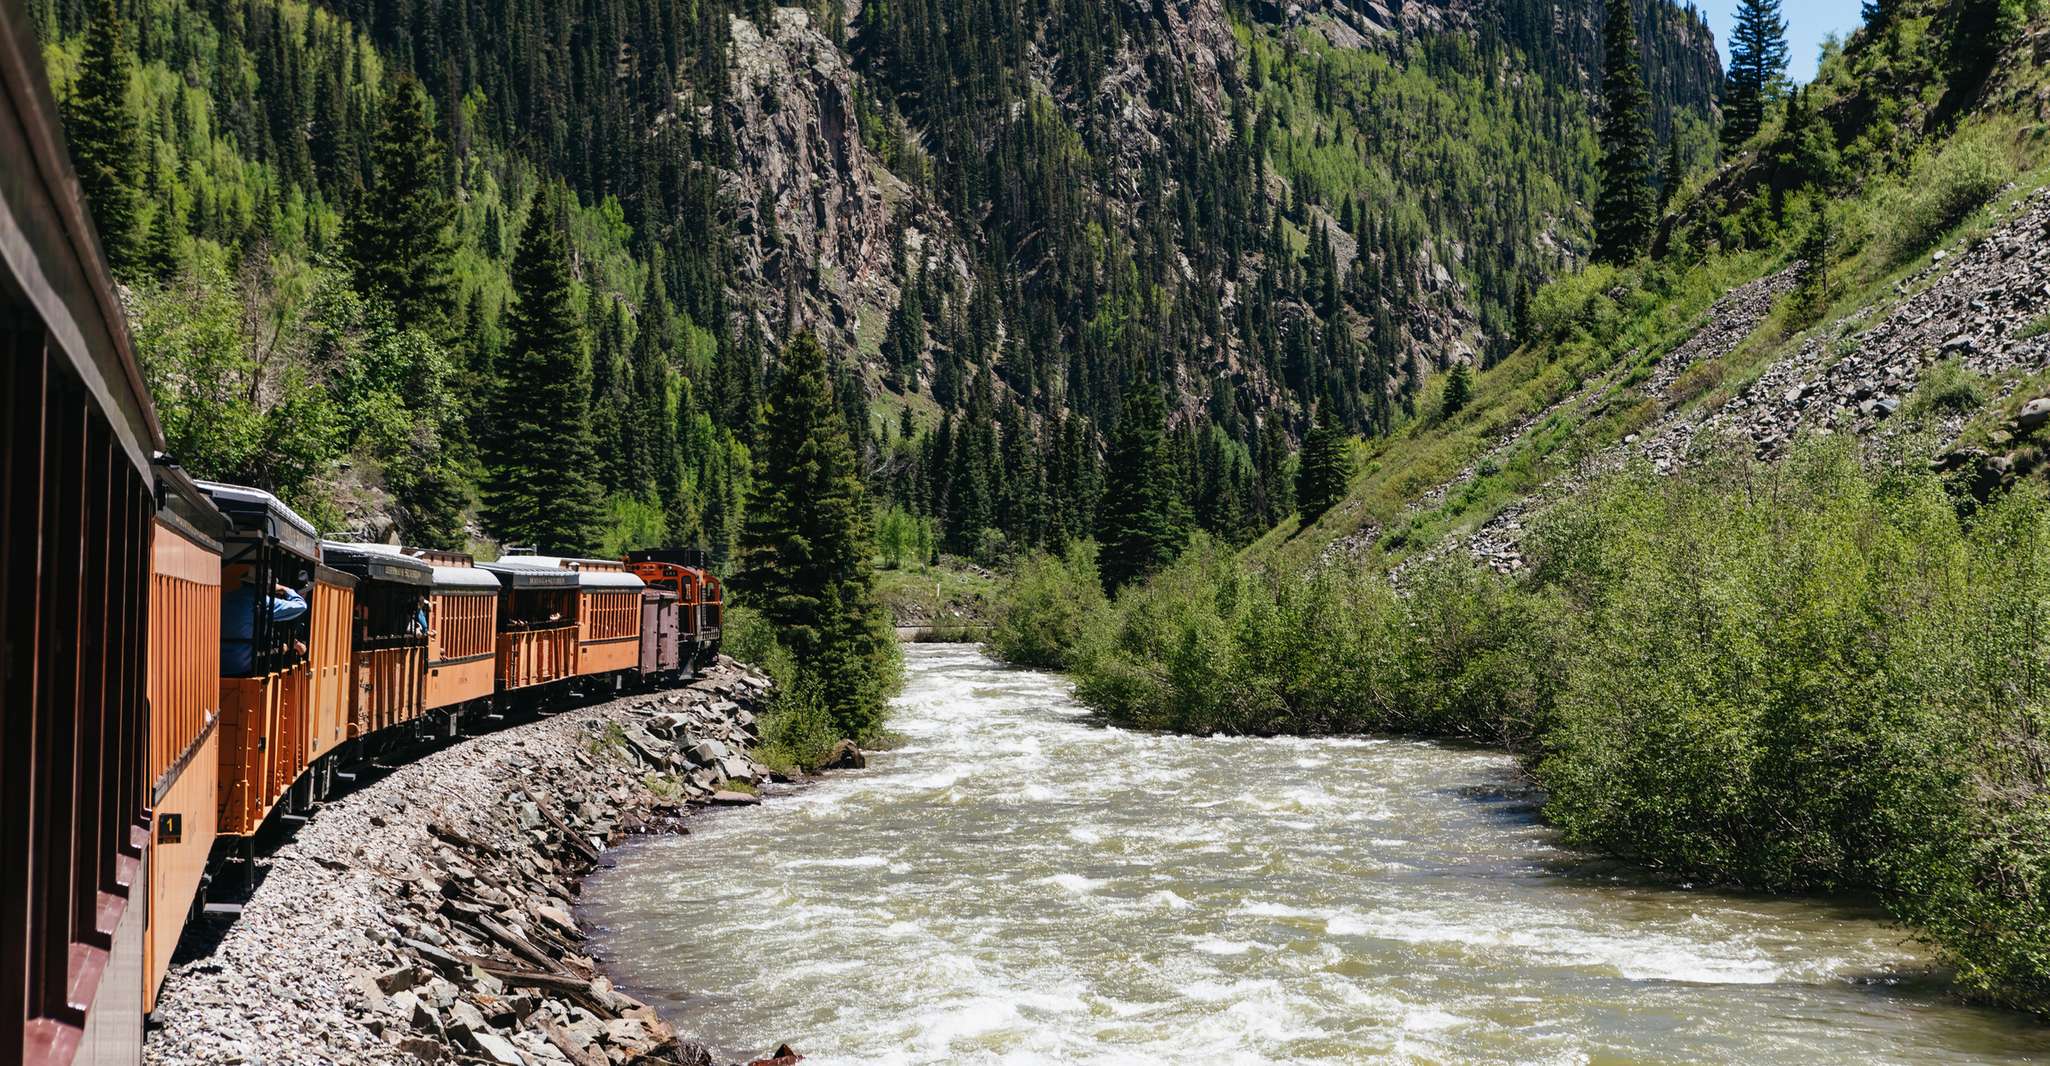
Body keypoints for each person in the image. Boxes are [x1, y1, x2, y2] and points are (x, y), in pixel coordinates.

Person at [222, 564, 309, 676]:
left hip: (218, 660)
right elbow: (301, 606)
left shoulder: (228, 597)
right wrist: (286, 589)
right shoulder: (263, 601)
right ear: (268, 586)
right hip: (243, 665)